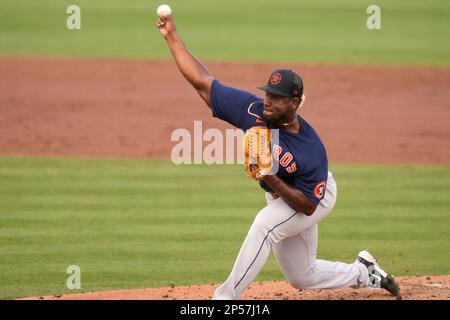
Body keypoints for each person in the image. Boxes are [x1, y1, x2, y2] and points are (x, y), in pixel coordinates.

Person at [156, 14, 400, 300]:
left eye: (277, 97)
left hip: (314, 196)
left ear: (294, 103)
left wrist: (268, 175)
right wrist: (172, 37)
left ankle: (225, 298)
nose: (268, 101)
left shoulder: (310, 149)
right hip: (284, 197)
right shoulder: (253, 110)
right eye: (268, 94)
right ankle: (364, 272)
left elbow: (308, 205)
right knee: (302, 276)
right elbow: (202, 82)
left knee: (264, 225)